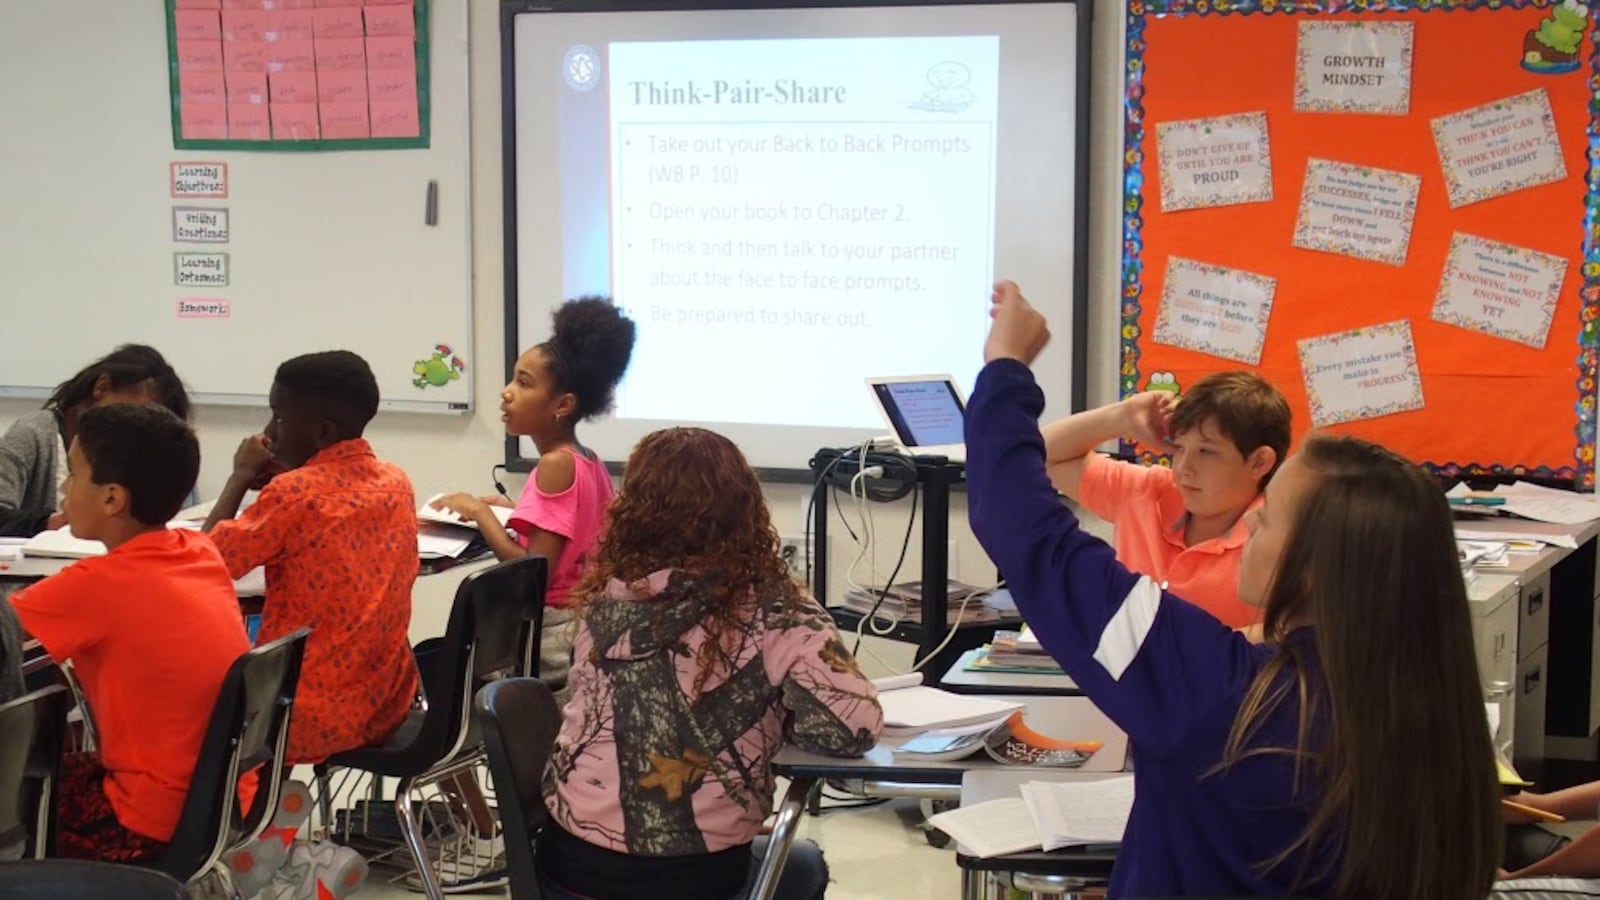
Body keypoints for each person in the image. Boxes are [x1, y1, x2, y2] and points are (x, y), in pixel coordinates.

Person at [964, 280, 1500, 900]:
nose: (1249, 521)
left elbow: (1021, 526)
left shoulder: (1220, 689)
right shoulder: (1432, 716)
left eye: (1268, 517)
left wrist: (1006, 368)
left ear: (1314, 570)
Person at [538, 427, 883, 900]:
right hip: (699, 879)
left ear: (632, 509)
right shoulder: (777, 610)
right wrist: (785, 721)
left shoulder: (607, 600)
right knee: (803, 864)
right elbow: (855, 729)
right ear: (746, 511)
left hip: (569, 868)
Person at [204, 351, 415, 899]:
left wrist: (240, 476)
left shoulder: (292, 494)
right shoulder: (396, 482)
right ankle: (287, 844)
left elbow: (204, 565)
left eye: (278, 416)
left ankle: (263, 844)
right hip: (386, 703)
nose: (269, 431)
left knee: (195, 714)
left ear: (319, 429)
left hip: (300, 721)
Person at [9, 404, 246, 864]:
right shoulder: (197, 549)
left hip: (144, 821)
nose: (63, 488)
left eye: (73, 475)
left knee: (11, 800)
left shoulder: (102, 584)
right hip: (219, 797)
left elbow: (6, 633)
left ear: (112, 498)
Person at [429, 296, 636, 696]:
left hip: (551, 635)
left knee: (438, 665)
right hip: (582, 622)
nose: (507, 393)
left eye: (524, 383)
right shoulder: (587, 461)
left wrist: (478, 513)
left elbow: (535, 571)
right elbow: (576, 531)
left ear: (563, 405)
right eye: (512, 379)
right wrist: (510, 509)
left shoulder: (554, 465)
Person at [1042, 370, 1289, 630]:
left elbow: (1297, 634)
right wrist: (1120, 417)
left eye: (1206, 451)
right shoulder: (1148, 491)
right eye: (1180, 447)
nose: (1184, 468)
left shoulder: (1280, 538)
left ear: (1259, 462)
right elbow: (1042, 456)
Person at [0, 345, 189, 537]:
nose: (133, 429)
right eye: (129, 413)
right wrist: (49, 523)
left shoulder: (130, 452)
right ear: (102, 387)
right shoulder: (33, 434)